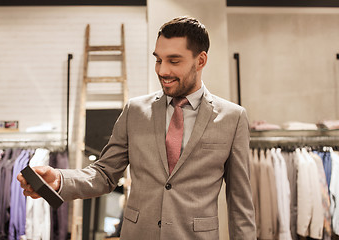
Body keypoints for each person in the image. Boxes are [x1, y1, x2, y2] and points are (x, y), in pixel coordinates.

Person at [18, 16, 256, 240]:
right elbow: (104, 173)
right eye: (158, 60)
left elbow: (240, 202)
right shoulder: (135, 110)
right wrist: (59, 179)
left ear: (201, 60)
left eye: (174, 61)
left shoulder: (232, 118)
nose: (162, 70)